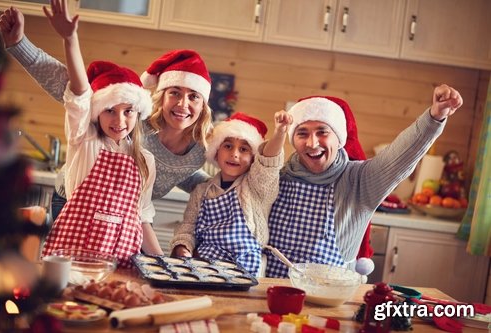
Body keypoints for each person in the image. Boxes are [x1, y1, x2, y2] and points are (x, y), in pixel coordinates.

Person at [0, 7, 213, 223]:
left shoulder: (203, 147)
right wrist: (20, 45)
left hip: (123, 214)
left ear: (203, 105)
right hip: (73, 198)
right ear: (161, 96)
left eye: (194, 96)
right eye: (174, 93)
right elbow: (71, 88)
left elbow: (176, 172)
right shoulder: (135, 117)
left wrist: (218, 189)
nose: (182, 104)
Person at [265, 85, 463, 278]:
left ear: (339, 138)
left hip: (329, 302)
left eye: (322, 132)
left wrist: (434, 117)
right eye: (302, 133)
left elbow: (401, 155)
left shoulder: (360, 181)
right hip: (270, 296)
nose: (312, 143)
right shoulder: (277, 177)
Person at [39, 0, 162, 267]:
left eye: (128, 111)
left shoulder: (145, 161)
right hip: (73, 263)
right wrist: (70, 39)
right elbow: (80, 96)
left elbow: (142, 217)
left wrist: (162, 264)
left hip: (122, 266)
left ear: (138, 113)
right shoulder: (85, 142)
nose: (119, 120)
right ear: (96, 113)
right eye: (109, 110)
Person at [170, 111, 291, 276]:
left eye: (244, 149)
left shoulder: (256, 187)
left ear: (254, 158)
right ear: (216, 151)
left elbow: (268, 164)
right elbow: (187, 227)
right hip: (204, 265)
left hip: (244, 268)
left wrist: (280, 133)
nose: (235, 154)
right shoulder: (201, 191)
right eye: (228, 146)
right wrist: (183, 247)